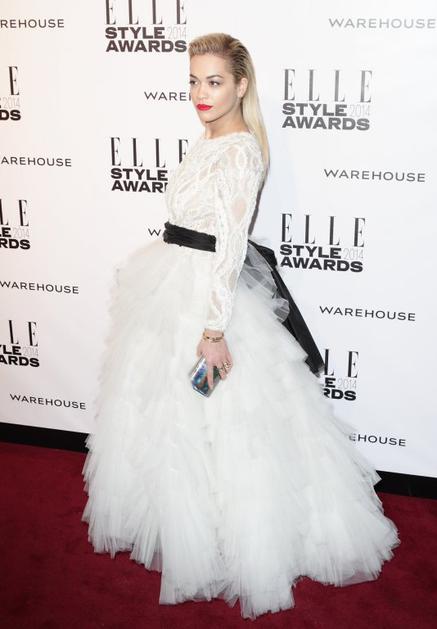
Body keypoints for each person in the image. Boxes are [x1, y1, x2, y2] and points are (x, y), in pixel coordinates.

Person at [81, 32, 400, 620]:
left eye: (215, 82)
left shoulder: (241, 150)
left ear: (241, 85)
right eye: (194, 81)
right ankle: (183, 525)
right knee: (172, 422)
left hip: (210, 293)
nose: (201, 94)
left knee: (231, 426)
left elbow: (229, 245)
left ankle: (239, 541)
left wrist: (213, 329)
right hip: (170, 277)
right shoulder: (207, 139)